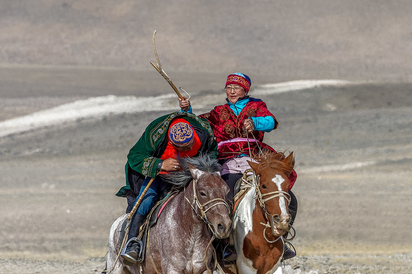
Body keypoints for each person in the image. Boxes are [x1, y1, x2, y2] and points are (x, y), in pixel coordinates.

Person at [179, 73, 297, 260]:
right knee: (224, 197)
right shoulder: (218, 112)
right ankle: (226, 245)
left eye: (237, 88)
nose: (232, 91)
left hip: (255, 161)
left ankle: (280, 238)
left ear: (245, 90)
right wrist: (187, 110)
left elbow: (271, 122)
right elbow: (199, 124)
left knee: (286, 196)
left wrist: (255, 123)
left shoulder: (257, 106)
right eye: (229, 87)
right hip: (229, 163)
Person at [116, 112, 217, 264]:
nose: (189, 149)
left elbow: (213, 152)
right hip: (159, 176)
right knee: (146, 200)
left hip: (189, 175)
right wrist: (160, 164)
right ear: (172, 142)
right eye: (184, 148)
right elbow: (134, 156)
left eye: (191, 144)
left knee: (208, 198)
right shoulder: (156, 134)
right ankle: (133, 242)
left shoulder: (204, 133)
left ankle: (217, 245)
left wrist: (202, 167)